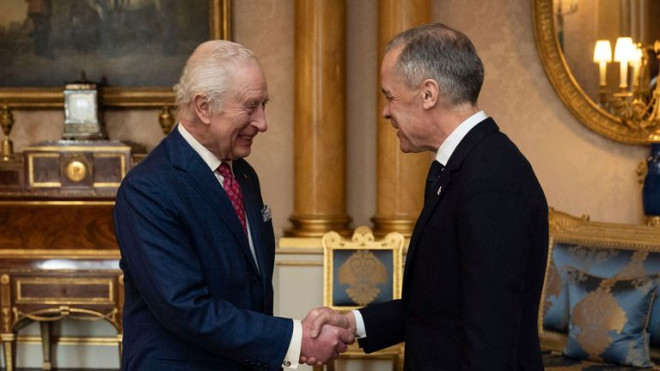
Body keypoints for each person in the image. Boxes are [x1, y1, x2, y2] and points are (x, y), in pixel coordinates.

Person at [308, 23, 549, 370]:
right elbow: (436, 308)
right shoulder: (465, 165)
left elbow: (492, 339)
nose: (385, 111)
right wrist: (353, 323)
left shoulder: (491, 180)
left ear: (428, 94)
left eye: (390, 96)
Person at [114, 40, 353, 370]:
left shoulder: (243, 175)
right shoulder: (149, 189)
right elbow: (185, 307)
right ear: (204, 107)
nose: (263, 122)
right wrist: (295, 339)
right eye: (251, 106)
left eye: (264, 105)